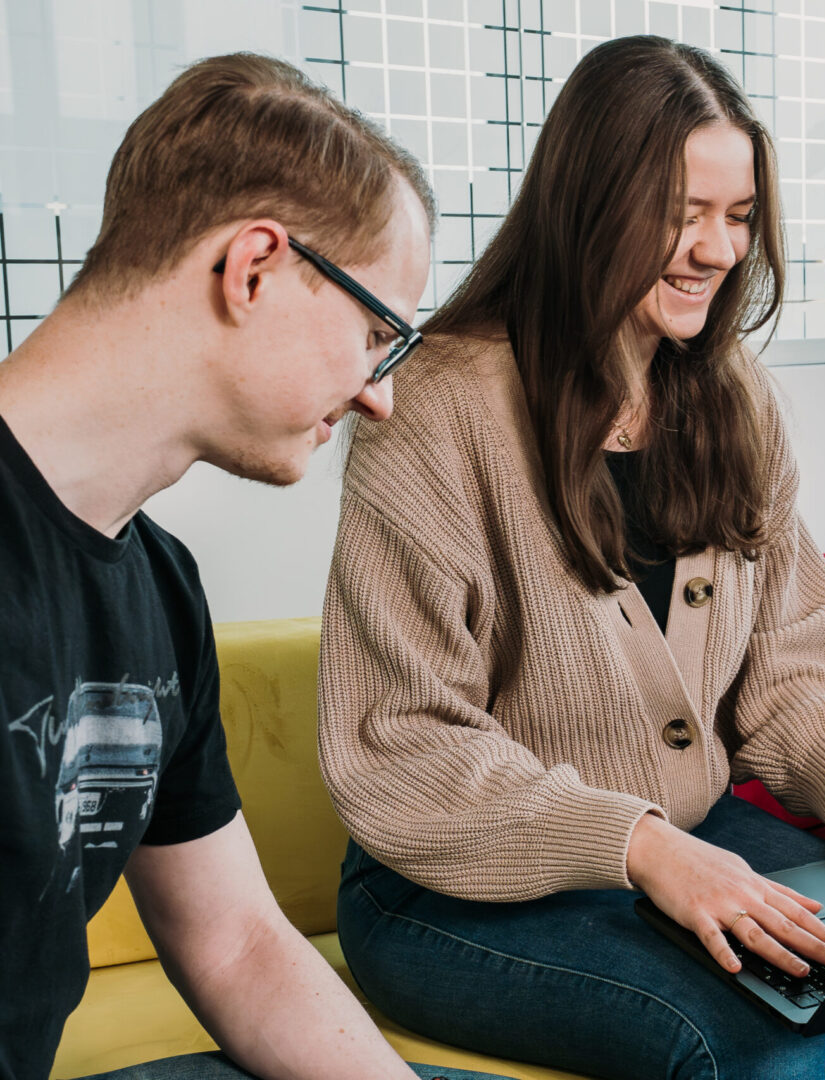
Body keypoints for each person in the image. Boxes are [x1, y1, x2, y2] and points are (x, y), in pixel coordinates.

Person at [316, 34, 825, 1080]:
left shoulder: (733, 400)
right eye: (684, 214)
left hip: (684, 844)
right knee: (749, 1034)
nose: (717, 251)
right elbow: (405, 745)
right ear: (587, 203)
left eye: (738, 218)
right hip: (445, 892)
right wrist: (640, 848)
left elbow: (792, 667)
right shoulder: (436, 409)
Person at [0, 52, 507, 1080]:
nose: (379, 395)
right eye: (376, 333)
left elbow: (233, 944)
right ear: (255, 268)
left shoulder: (160, 590)